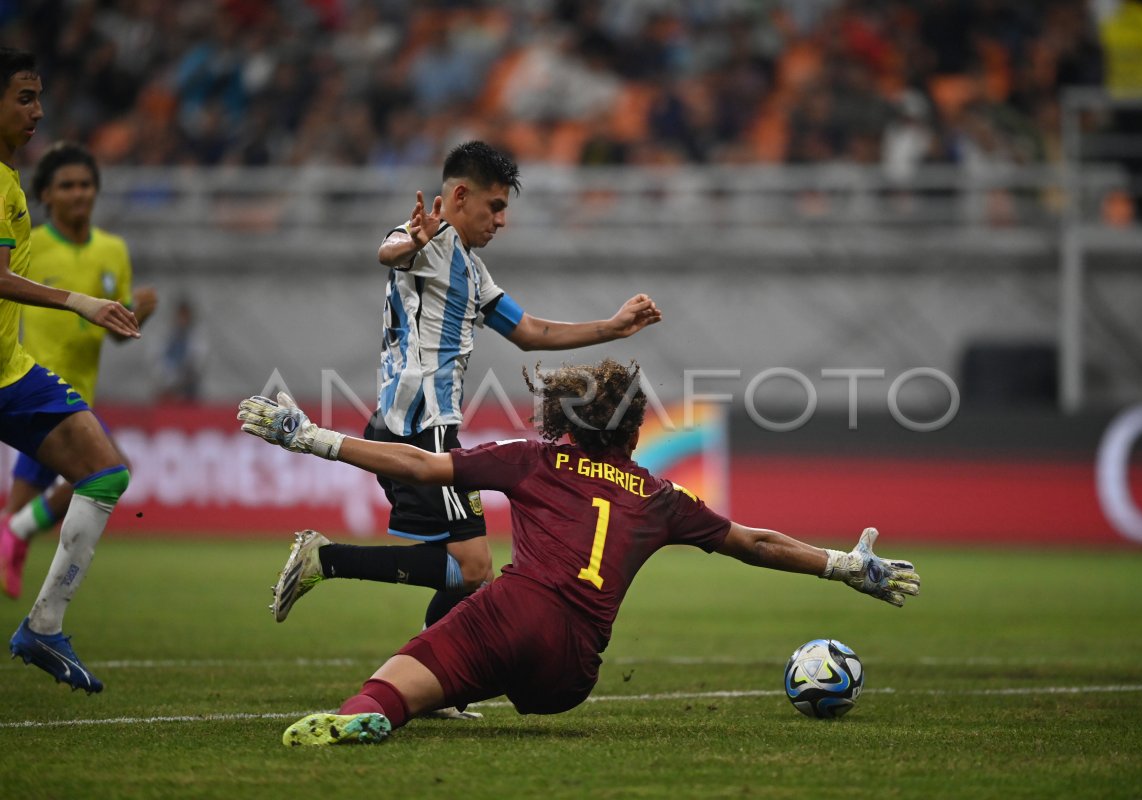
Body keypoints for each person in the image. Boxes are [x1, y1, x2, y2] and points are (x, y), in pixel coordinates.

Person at [237, 358, 921, 746]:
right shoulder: (660, 495)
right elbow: (754, 543)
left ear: (563, 418)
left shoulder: (533, 459)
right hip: (572, 674)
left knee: (401, 677)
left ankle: (369, 713)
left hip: (512, 613)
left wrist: (310, 437)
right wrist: (843, 565)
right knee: (483, 667)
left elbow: (418, 465)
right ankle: (431, 697)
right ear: (633, 426)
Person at [268, 142, 662, 689]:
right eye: (494, 207)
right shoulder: (425, 243)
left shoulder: (471, 271)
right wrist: (414, 237)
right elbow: (390, 252)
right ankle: (327, 562)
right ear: (459, 195)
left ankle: (433, 677)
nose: (501, 220)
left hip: (410, 424)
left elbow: (529, 334)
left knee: (458, 571)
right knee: (474, 568)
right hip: (425, 428)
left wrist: (611, 327)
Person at [0, 48, 141, 693]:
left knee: (106, 472)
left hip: (13, 374)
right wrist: (76, 300)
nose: (39, 110)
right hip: (20, 373)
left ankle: (45, 624)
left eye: (38, 97)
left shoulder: (11, 186)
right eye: (25, 97)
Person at [0, 141, 157, 600]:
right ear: (45, 195)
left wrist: (136, 315)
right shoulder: (31, 244)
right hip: (33, 388)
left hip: (76, 395)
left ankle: (16, 543)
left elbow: (113, 330)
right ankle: (20, 547)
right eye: (66, 185)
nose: (78, 194)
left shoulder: (113, 251)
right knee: (111, 469)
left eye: (86, 184)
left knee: (25, 514)